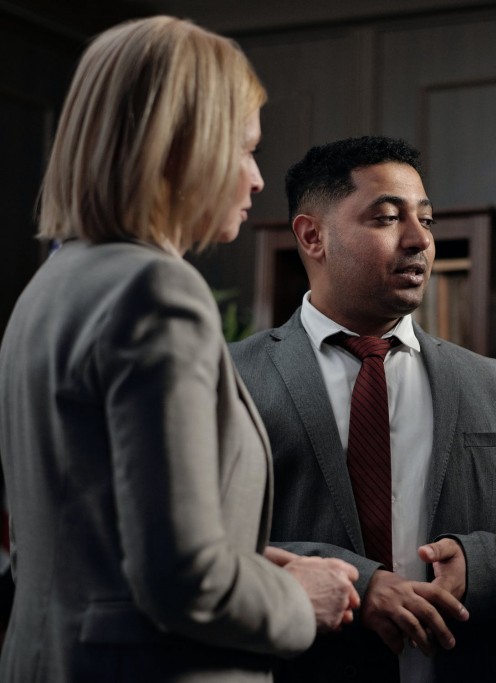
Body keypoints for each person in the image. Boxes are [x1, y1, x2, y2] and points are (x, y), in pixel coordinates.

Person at [0, 16, 360, 682]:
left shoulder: (48, 288)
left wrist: (248, 559)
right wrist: (299, 596)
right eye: (246, 148)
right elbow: (181, 579)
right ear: (178, 146)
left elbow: (79, 538)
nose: (257, 179)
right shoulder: (158, 291)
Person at [229, 135, 496, 683]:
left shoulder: (494, 383)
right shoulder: (228, 378)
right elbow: (202, 543)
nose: (419, 240)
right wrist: (357, 582)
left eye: (427, 219)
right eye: (388, 218)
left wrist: (475, 566)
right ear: (312, 235)